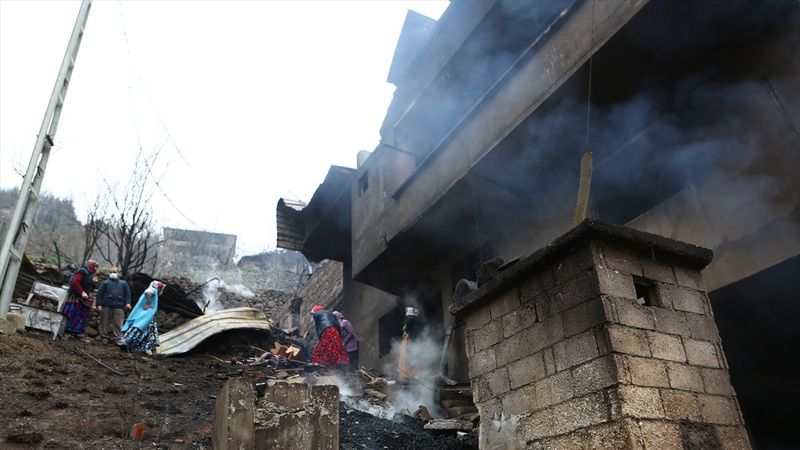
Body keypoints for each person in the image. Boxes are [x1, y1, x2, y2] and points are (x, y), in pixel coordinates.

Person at [119, 280, 165, 354]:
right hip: (145, 315)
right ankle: (125, 343)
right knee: (138, 329)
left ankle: (149, 349)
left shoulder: (154, 292)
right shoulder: (153, 290)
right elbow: (148, 292)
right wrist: (149, 303)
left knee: (151, 332)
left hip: (149, 316)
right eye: (161, 289)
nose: (161, 291)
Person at [62, 260, 99, 338]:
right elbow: (75, 282)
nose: (96, 268)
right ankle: (66, 330)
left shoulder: (90, 275)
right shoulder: (82, 271)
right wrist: (82, 292)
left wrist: (94, 283)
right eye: (94, 266)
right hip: (76, 298)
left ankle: (75, 332)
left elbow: (90, 286)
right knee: (72, 314)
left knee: (80, 316)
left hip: (83, 301)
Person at [95, 267, 132, 345]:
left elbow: (128, 294)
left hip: (119, 306)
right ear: (109, 273)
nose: (113, 274)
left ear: (118, 273)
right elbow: (99, 294)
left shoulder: (123, 283)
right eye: (111, 272)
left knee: (118, 323)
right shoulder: (105, 283)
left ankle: (118, 338)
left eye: (115, 272)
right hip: (106, 305)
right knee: (104, 322)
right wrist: (99, 304)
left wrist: (127, 303)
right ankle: (104, 337)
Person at [398, 306, 421, 381]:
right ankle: (407, 374)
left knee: (409, 357)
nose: (405, 312)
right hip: (408, 341)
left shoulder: (411, 318)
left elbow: (410, 319)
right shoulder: (415, 321)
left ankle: (410, 374)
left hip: (410, 341)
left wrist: (406, 332)